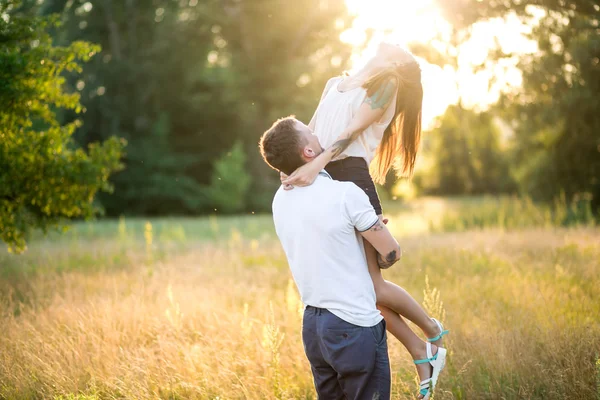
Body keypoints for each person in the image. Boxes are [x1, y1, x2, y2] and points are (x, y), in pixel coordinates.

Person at [280, 42, 448, 399]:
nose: (391, 44)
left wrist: (314, 166)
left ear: (396, 64)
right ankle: (422, 351)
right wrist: (293, 168)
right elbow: (309, 130)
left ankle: (431, 331)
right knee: (358, 292)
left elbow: (349, 133)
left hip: (349, 178)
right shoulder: (332, 84)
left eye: (399, 51)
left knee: (371, 288)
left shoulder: (386, 87)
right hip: (325, 179)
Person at [259, 117, 403, 399]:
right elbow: (391, 253)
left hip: (314, 326)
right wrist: (375, 234)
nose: (316, 132)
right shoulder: (346, 193)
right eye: (310, 132)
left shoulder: (280, 199)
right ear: (309, 152)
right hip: (354, 324)